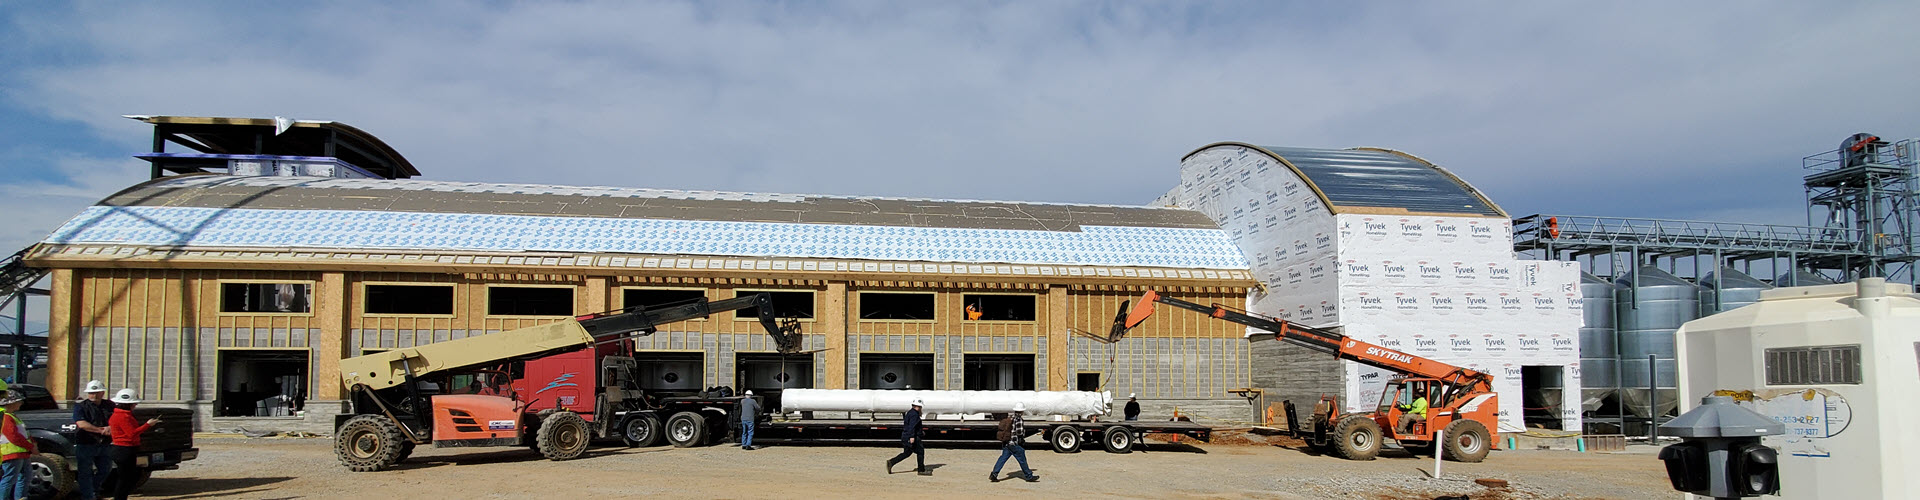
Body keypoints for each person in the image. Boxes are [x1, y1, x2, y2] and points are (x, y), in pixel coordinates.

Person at [108, 389, 160, 500]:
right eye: (134, 403)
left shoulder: (121, 415)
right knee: (125, 479)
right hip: (124, 449)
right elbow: (132, 433)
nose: (135, 405)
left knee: (129, 477)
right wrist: (147, 425)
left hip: (125, 449)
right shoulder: (123, 416)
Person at [72, 379, 117, 500]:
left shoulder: (110, 406)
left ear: (102, 392)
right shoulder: (80, 406)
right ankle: (88, 496)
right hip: (86, 443)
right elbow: (81, 424)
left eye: (96, 392)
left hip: (105, 444)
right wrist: (101, 430)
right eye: (91, 392)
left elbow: (117, 419)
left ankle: (94, 490)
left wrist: (111, 428)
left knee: (105, 469)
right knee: (85, 472)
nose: (93, 395)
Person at [989, 403, 1038, 483]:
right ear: (1022, 411)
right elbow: (1019, 432)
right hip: (1014, 444)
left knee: (1002, 459)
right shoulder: (1019, 419)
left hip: (1007, 443)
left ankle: (994, 474)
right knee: (1022, 459)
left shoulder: (1012, 418)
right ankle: (1029, 476)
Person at [0, 389, 35, 500]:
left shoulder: (12, 416)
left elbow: (24, 433)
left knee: (25, 476)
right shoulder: (6, 417)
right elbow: (13, 436)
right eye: (18, 401)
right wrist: (30, 446)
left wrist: (31, 444)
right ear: (10, 403)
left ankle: (20, 498)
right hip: (12, 453)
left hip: (21, 452)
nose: (21, 403)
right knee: (10, 478)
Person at [884, 399, 928, 476]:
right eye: (920, 407)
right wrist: (912, 437)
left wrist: (920, 431)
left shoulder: (910, 412)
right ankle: (921, 470)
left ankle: (891, 462)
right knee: (920, 452)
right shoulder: (914, 414)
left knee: (907, 453)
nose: (921, 408)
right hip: (912, 436)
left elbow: (912, 426)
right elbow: (912, 426)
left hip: (906, 436)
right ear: (917, 406)